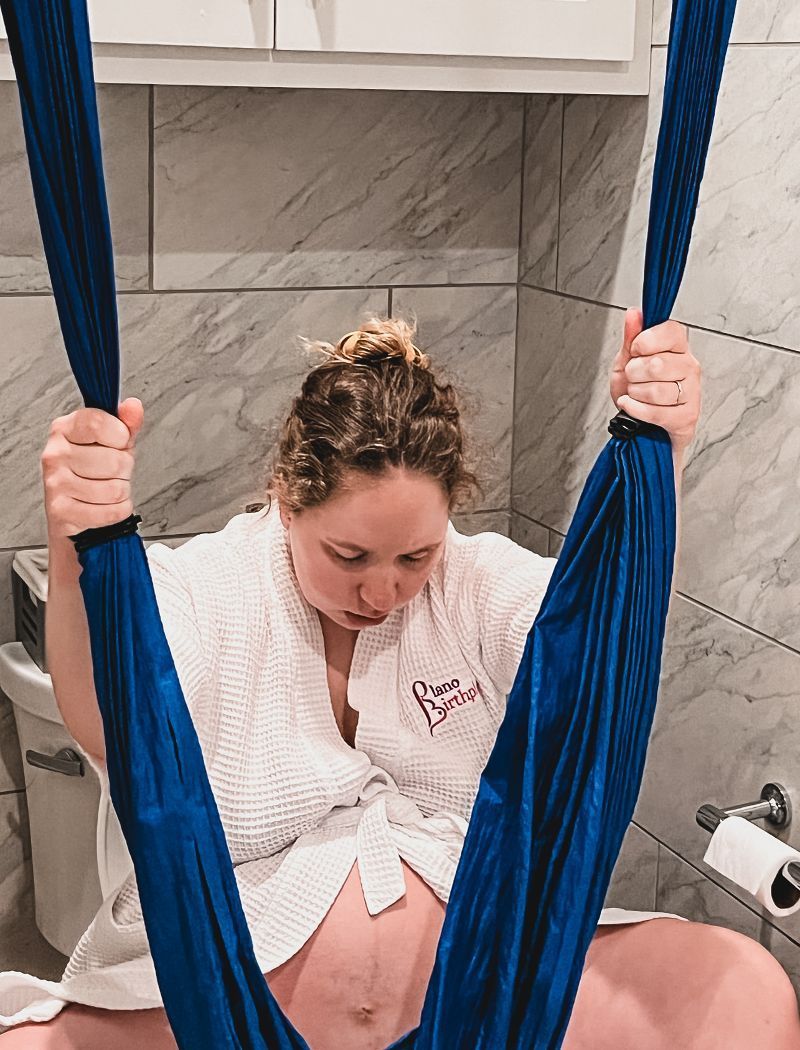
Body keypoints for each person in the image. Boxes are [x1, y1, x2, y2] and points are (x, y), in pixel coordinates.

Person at [1, 312, 798, 1050]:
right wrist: (80, 548)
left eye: (413, 558)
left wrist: (664, 456)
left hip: (483, 992)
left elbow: (604, 649)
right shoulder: (214, 587)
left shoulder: (472, 584)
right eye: (348, 557)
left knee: (742, 990)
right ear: (287, 498)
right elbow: (115, 714)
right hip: (226, 1005)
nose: (381, 594)